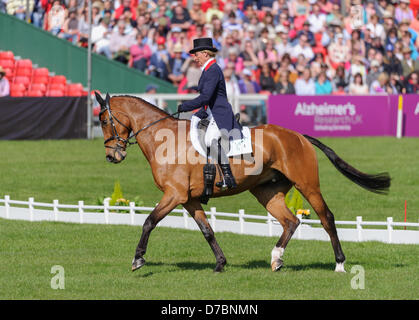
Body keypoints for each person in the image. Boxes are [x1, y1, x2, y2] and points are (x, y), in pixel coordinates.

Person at [177, 38, 241, 190]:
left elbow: (205, 97)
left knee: (210, 139)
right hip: (209, 111)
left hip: (219, 113)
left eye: (196, 54)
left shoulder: (213, 70)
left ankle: (228, 177)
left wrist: (185, 106)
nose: (195, 57)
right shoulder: (207, 69)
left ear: (205, 53)